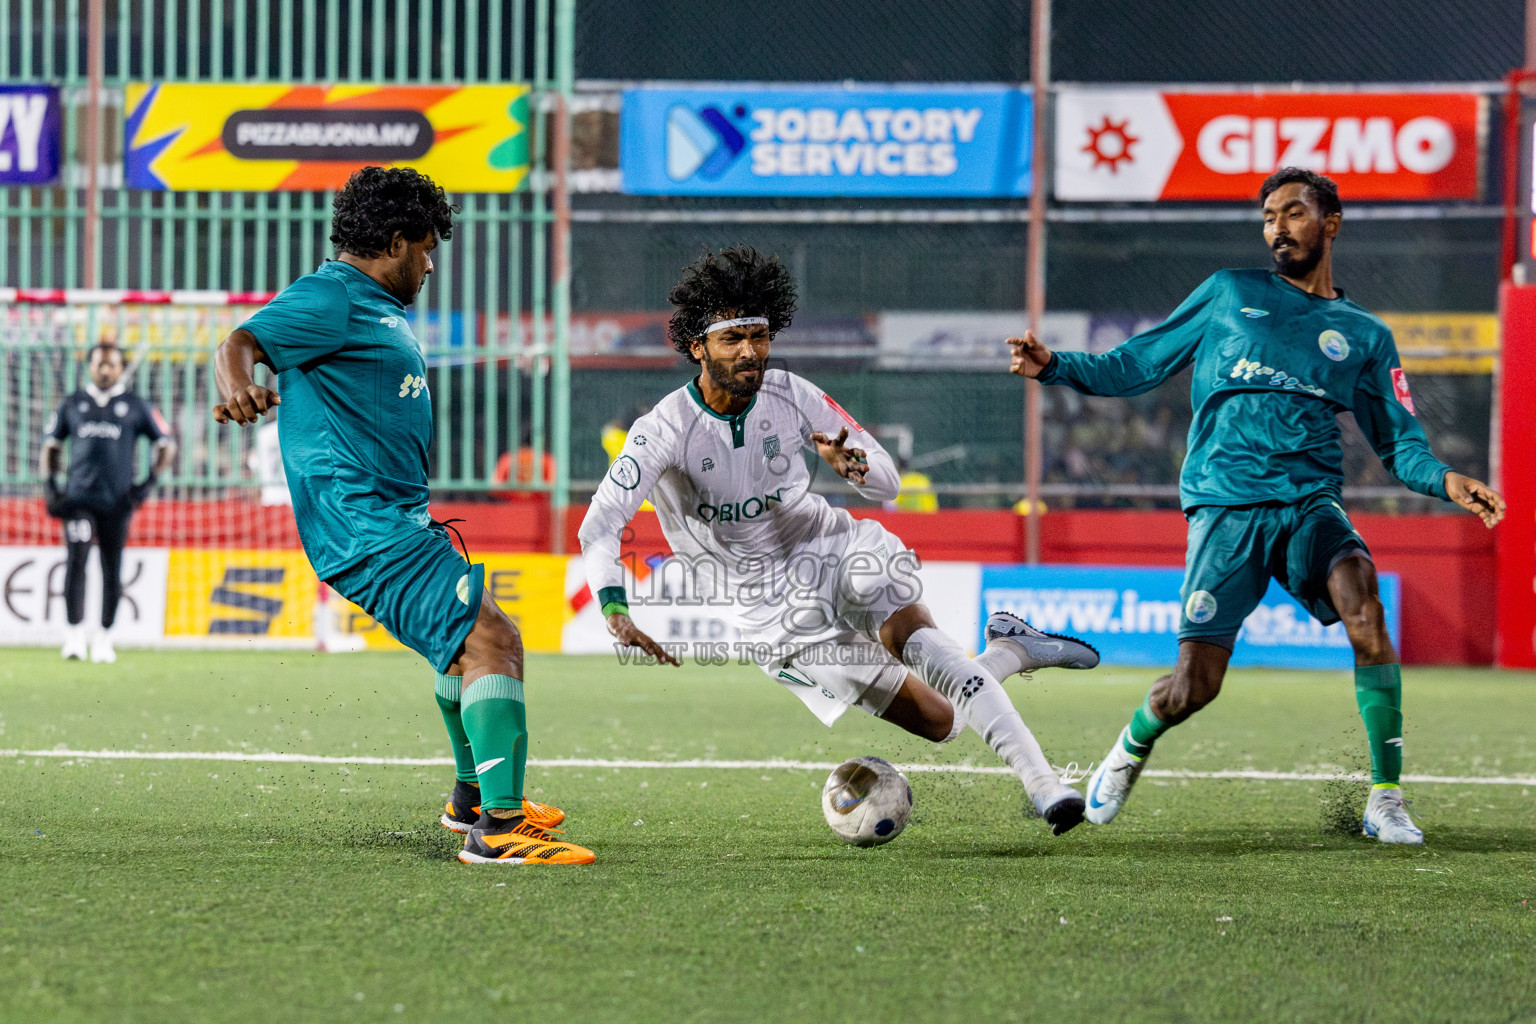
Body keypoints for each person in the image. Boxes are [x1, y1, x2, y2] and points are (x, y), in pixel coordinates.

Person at [1007, 167, 1506, 845]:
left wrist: (1446, 480)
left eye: (1293, 213)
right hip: (1226, 507)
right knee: (1193, 688)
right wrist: (1055, 365)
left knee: (1366, 611)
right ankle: (1132, 743)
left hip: (1310, 504)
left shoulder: (1362, 334)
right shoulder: (1228, 293)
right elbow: (1136, 363)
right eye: (1269, 216)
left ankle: (1385, 799)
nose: (1277, 227)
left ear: (1330, 223)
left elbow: (1400, 443)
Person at [579, 246, 1100, 836]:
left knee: (920, 639)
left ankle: (1045, 785)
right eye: (732, 340)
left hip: (831, 547)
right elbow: (601, 522)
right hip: (772, 613)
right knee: (943, 720)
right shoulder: (663, 429)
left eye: (759, 335)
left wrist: (851, 468)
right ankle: (1011, 650)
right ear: (697, 347)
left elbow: (888, 482)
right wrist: (614, 606)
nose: (750, 351)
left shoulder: (792, 393)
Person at [211, 166, 589, 867]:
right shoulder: (331, 295)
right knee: (492, 642)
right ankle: (499, 828)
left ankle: (471, 801)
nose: (431, 262)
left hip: (396, 522)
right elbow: (239, 342)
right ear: (394, 241)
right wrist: (239, 386)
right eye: (425, 247)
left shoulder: (372, 307)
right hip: (364, 527)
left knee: (467, 642)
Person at [40, 340, 175, 663]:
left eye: (111, 364)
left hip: (117, 502)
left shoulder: (136, 406)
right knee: (77, 558)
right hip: (78, 500)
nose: (104, 369)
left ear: (120, 368)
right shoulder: (72, 404)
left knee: (112, 568)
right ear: (90, 366)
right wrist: (49, 486)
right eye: (99, 363)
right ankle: (73, 635)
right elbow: (50, 446)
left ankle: (104, 638)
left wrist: (147, 484)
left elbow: (167, 444)